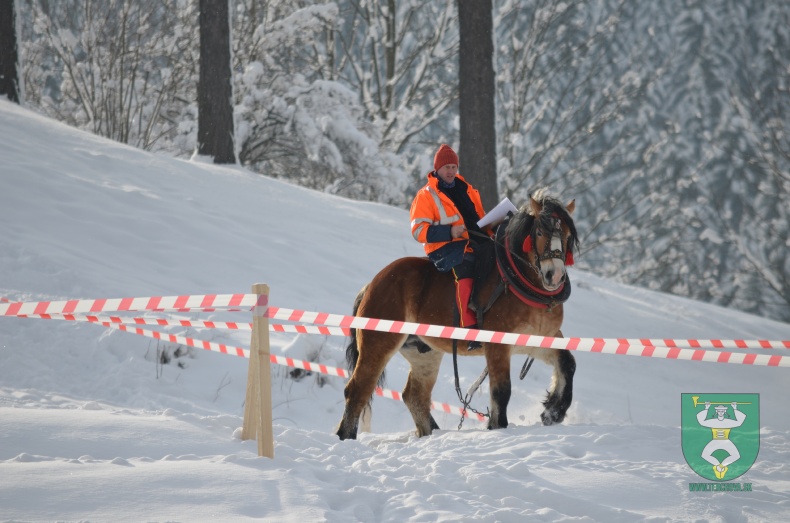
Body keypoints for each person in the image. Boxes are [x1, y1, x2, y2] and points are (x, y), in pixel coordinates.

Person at [410, 144, 491, 350]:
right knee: (466, 267)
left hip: (472, 241)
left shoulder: (466, 188)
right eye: (447, 167)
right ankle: (470, 327)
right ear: (437, 169)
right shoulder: (426, 195)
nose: (451, 171)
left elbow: (477, 218)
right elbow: (418, 231)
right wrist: (450, 233)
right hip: (445, 248)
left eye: (454, 167)